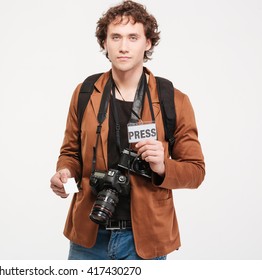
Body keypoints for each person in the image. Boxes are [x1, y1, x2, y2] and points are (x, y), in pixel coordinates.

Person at [50, 0, 205, 260]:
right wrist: (64, 172)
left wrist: (163, 166)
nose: (123, 46)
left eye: (133, 37)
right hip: (89, 236)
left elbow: (196, 172)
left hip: (144, 239)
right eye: (116, 37)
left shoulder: (173, 99)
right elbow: (70, 152)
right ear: (104, 43)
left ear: (148, 43)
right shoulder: (85, 93)